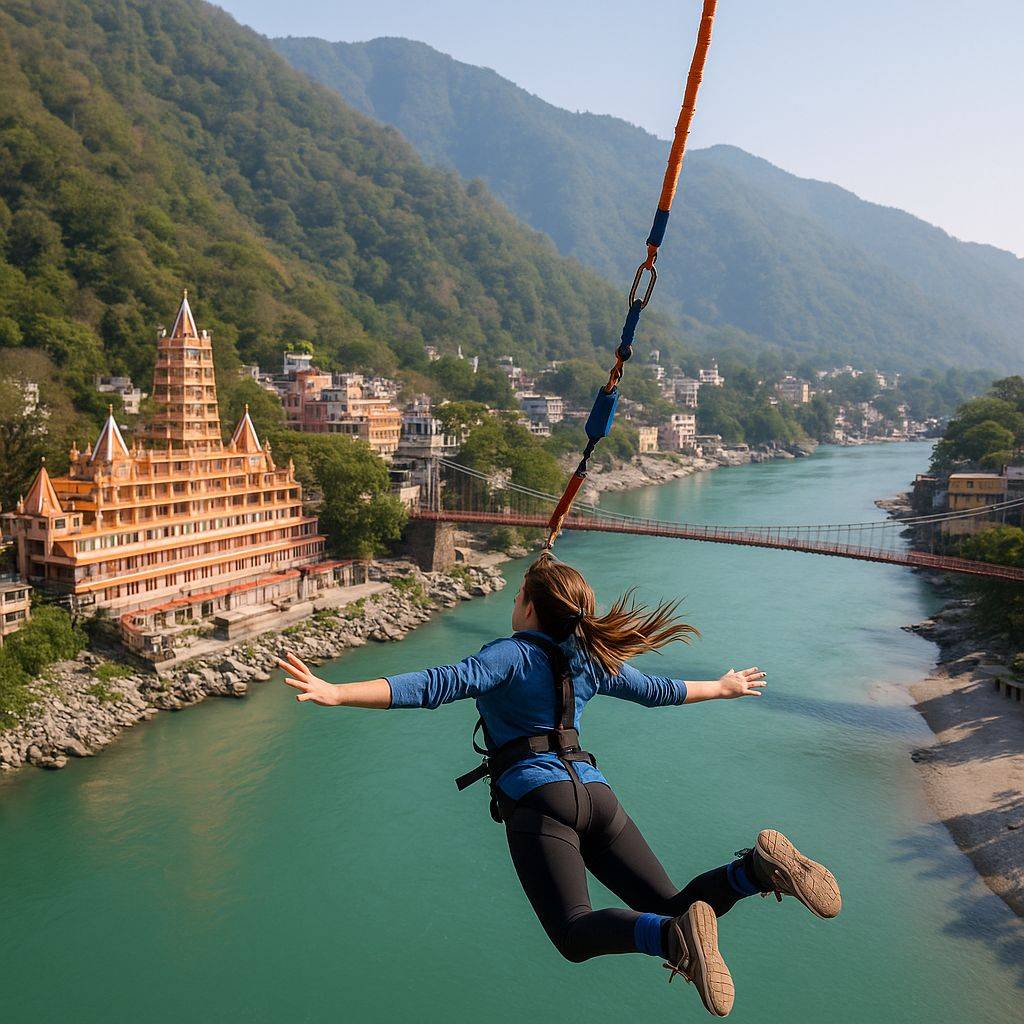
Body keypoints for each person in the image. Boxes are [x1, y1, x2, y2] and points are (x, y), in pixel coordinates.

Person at [278, 553, 841, 1017]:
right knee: (674, 903)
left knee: (575, 936)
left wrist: (337, 692)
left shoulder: (509, 654)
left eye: (518, 594)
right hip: (595, 793)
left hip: (541, 801)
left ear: (527, 606)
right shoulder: (589, 657)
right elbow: (657, 691)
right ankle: (754, 871)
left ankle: (674, 941)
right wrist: (721, 687)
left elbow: (434, 684)